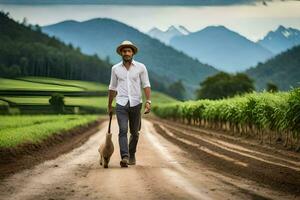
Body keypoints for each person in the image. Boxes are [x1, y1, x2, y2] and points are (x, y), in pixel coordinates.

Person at [107, 40, 151, 167]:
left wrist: (148, 101)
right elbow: (112, 87)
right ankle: (125, 157)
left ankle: (132, 153)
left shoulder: (141, 67)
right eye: (124, 51)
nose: (126, 53)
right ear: (121, 53)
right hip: (121, 103)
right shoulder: (115, 69)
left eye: (129, 51)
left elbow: (146, 84)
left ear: (132, 53)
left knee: (135, 132)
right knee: (123, 130)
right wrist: (110, 105)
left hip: (136, 103)